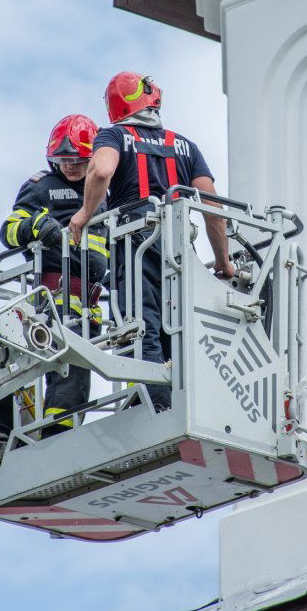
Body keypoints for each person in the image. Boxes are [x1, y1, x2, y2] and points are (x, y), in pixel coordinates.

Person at [69, 72, 235, 412]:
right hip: (178, 244)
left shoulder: (113, 135)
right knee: (179, 323)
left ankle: (152, 405)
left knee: (138, 322)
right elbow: (213, 209)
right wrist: (223, 261)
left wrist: (85, 213)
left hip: (134, 238)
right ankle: (183, 401)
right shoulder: (185, 145)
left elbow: (100, 172)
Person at [0, 114, 109, 438]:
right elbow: (8, 230)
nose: (70, 166)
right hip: (52, 296)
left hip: (90, 302)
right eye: (63, 160)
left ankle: (62, 432)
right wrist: (37, 227)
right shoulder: (41, 186)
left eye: (77, 159)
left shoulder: (105, 192)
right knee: (65, 364)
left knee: (78, 374)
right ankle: (49, 434)